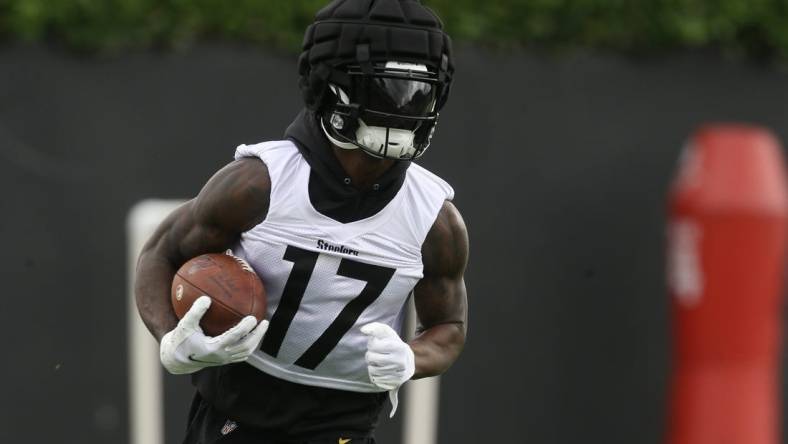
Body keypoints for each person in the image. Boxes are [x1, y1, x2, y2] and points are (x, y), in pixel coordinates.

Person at [134, 0, 468, 442]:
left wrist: (412, 357)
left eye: (418, 93)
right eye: (385, 90)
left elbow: (449, 326)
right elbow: (161, 252)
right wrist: (170, 338)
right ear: (332, 88)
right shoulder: (259, 183)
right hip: (236, 410)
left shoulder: (435, 220)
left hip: (342, 421)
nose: (402, 109)